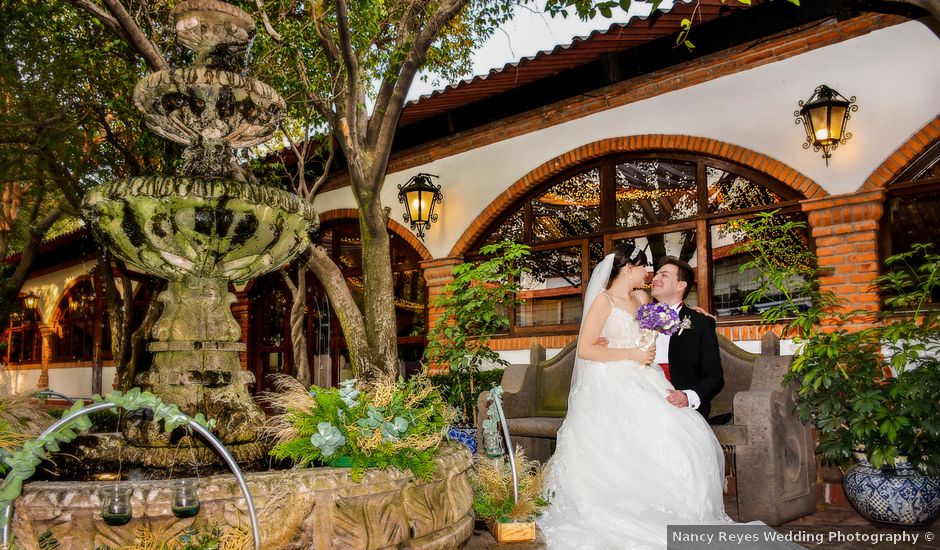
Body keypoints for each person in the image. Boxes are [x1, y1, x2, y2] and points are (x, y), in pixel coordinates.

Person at [537, 242, 732, 549]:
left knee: (683, 431)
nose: (649, 273)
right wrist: (627, 352)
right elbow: (586, 349)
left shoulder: (641, 297)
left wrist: (694, 313)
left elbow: (664, 319)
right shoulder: (602, 301)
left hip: (644, 377)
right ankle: (626, 502)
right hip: (611, 380)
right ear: (628, 268)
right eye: (644, 267)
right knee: (637, 429)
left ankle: (676, 506)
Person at [650, 256, 725, 421]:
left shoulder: (700, 322)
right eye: (656, 274)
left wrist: (687, 396)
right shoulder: (640, 318)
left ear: (680, 285)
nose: (655, 278)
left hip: (679, 406)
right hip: (645, 397)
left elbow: (714, 377)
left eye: (664, 275)